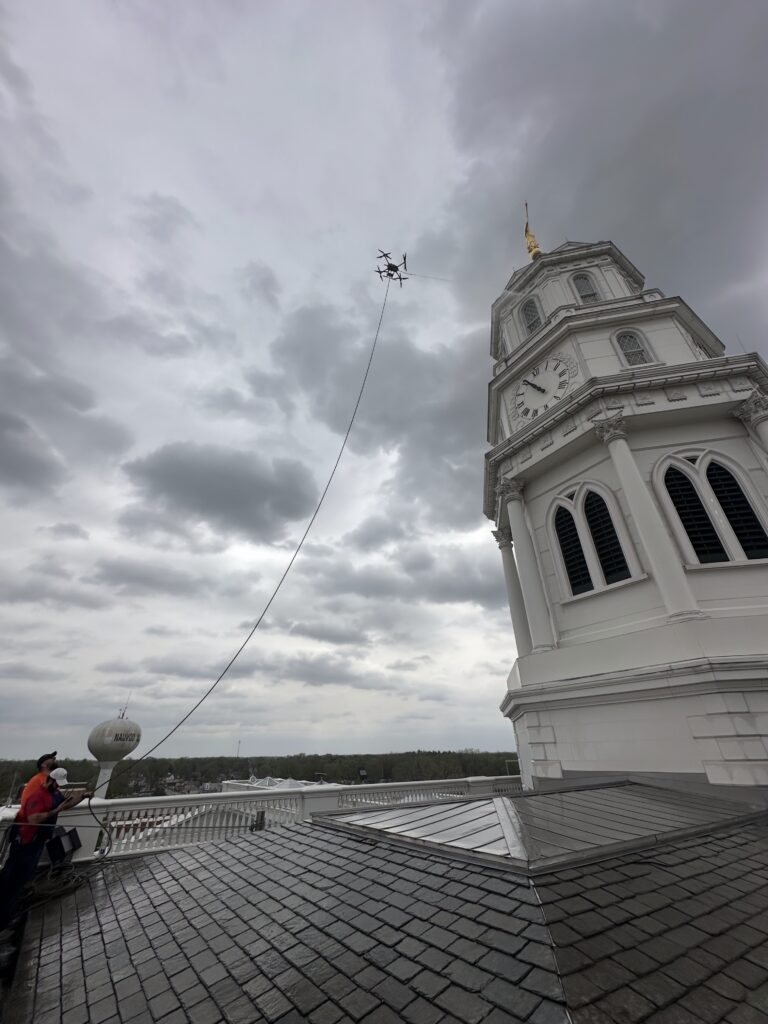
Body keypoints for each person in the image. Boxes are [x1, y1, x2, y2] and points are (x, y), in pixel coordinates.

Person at [0, 757, 88, 930]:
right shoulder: (38, 795)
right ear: (50, 779)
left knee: (22, 879)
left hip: (37, 842)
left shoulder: (54, 792)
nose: (59, 786)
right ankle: (1, 919)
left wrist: (82, 797)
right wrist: (55, 811)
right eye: (57, 783)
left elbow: (63, 805)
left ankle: (6, 916)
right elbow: (33, 818)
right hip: (25, 841)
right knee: (12, 880)